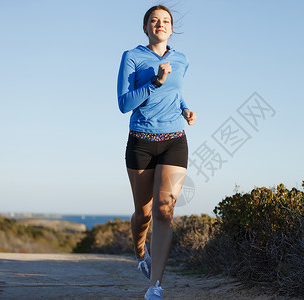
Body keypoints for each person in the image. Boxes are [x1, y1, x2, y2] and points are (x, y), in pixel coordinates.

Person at [117, 5, 196, 299]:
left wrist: (185, 108)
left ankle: (155, 286)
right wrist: (153, 82)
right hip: (141, 141)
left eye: (165, 21)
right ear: (146, 27)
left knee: (165, 211)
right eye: (154, 20)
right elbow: (124, 103)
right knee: (144, 212)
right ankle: (140, 251)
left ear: (171, 28)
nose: (160, 24)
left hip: (175, 139)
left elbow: (176, 92)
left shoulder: (182, 60)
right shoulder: (132, 57)